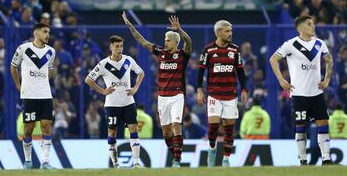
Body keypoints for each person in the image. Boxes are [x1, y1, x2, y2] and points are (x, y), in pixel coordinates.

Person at [122, 12, 192, 168]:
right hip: (162, 97)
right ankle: (175, 156)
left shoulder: (182, 55)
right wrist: (129, 25)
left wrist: (179, 29)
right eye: (165, 40)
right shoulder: (160, 52)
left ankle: (177, 160)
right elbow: (142, 41)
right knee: (166, 131)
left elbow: (189, 41)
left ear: (175, 42)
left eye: (168, 40)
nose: (165, 42)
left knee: (176, 125)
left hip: (177, 95)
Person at [269, 15, 334, 166]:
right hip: (299, 94)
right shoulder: (290, 44)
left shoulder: (319, 44)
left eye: (313, 24)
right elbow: (273, 59)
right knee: (300, 126)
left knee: (323, 123)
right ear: (301, 28)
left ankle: (326, 159)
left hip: (317, 93)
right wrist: (281, 79)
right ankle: (303, 160)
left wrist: (327, 80)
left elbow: (329, 60)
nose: (313, 27)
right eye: (310, 24)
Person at [85, 35, 144, 168]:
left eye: (121, 46)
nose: (120, 49)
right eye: (117, 46)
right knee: (112, 133)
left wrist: (135, 88)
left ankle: (136, 163)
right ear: (111, 47)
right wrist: (103, 91)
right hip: (112, 104)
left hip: (128, 102)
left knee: (133, 129)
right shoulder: (104, 64)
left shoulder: (128, 60)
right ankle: (115, 163)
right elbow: (88, 80)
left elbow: (141, 73)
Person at [196, 20, 247, 167]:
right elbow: (200, 71)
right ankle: (212, 150)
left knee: (229, 128)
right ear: (218, 32)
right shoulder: (208, 50)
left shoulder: (235, 50)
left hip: (231, 94)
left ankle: (226, 159)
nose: (230, 34)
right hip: (214, 94)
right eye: (227, 31)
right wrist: (199, 90)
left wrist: (244, 89)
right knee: (213, 126)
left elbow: (241, 71)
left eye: (231, 31)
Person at [11, 23, 56, 169]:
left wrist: (43, 83)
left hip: (45, 95)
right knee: (28, 128)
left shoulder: (51, 52)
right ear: (36, 33)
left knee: (46, 126)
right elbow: (13, 66)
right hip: (29, 95)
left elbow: (50, 69)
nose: (47, 35)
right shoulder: (23, 49)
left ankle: (45, 162)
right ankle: (28, 161)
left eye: (48, 32)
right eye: (44, 32)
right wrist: (19, 86)